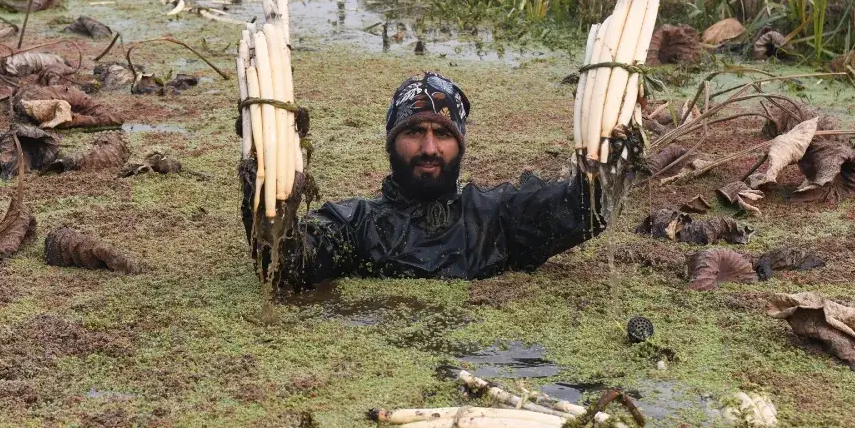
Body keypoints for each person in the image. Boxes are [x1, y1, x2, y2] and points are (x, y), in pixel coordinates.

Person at [241, 72, 608, 291]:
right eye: (414, 131)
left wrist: (611, 141)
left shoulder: (498, 219)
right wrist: (268, 196)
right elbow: (285, 268)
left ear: (460, 144)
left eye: (442, 135)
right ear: (391, 143)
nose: (429, 148)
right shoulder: (355, 225)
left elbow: (588, 208)